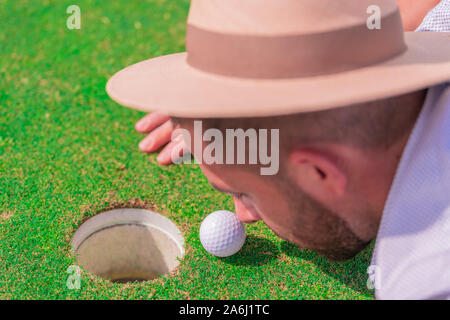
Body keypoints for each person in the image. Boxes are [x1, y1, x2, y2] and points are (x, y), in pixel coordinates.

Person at [107, 0, 450, 299]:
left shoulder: (426, 281)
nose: (242, 215)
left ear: (320, 172)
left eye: (243, 192)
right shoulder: (439, 21)